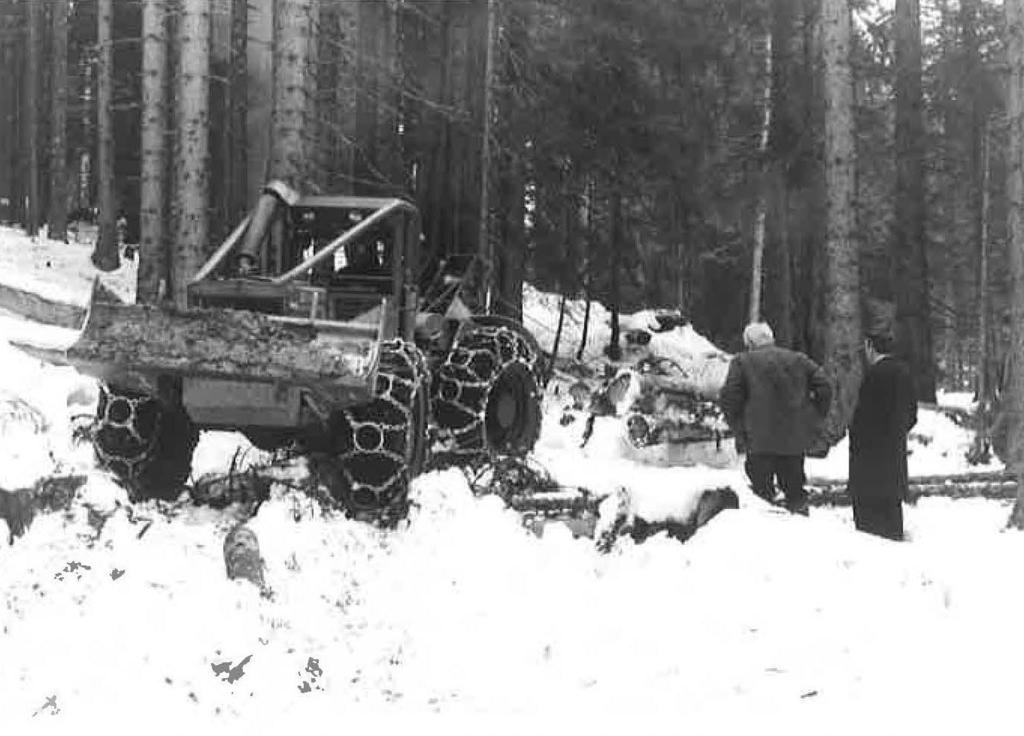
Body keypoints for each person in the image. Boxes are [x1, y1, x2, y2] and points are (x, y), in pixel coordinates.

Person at [720, 322, 832, 515]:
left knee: (761, 497)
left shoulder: (742, 362)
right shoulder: (798, 359)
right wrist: (813, 414)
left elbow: (730, 398)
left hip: (758, 440)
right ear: (771, 339)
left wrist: (739, 429)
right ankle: (801, 531)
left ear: (749, 343)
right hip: (793, 440)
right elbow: (824, 386)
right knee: (795, 493)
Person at [848, 331, 917, 540]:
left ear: (870, 346)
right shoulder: (904, 372)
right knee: (891, 507)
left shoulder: (874, 375)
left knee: (869, 519)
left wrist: (856, 438)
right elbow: (911, 415)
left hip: (869, 457)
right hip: (894, 451)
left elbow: (863, 418)